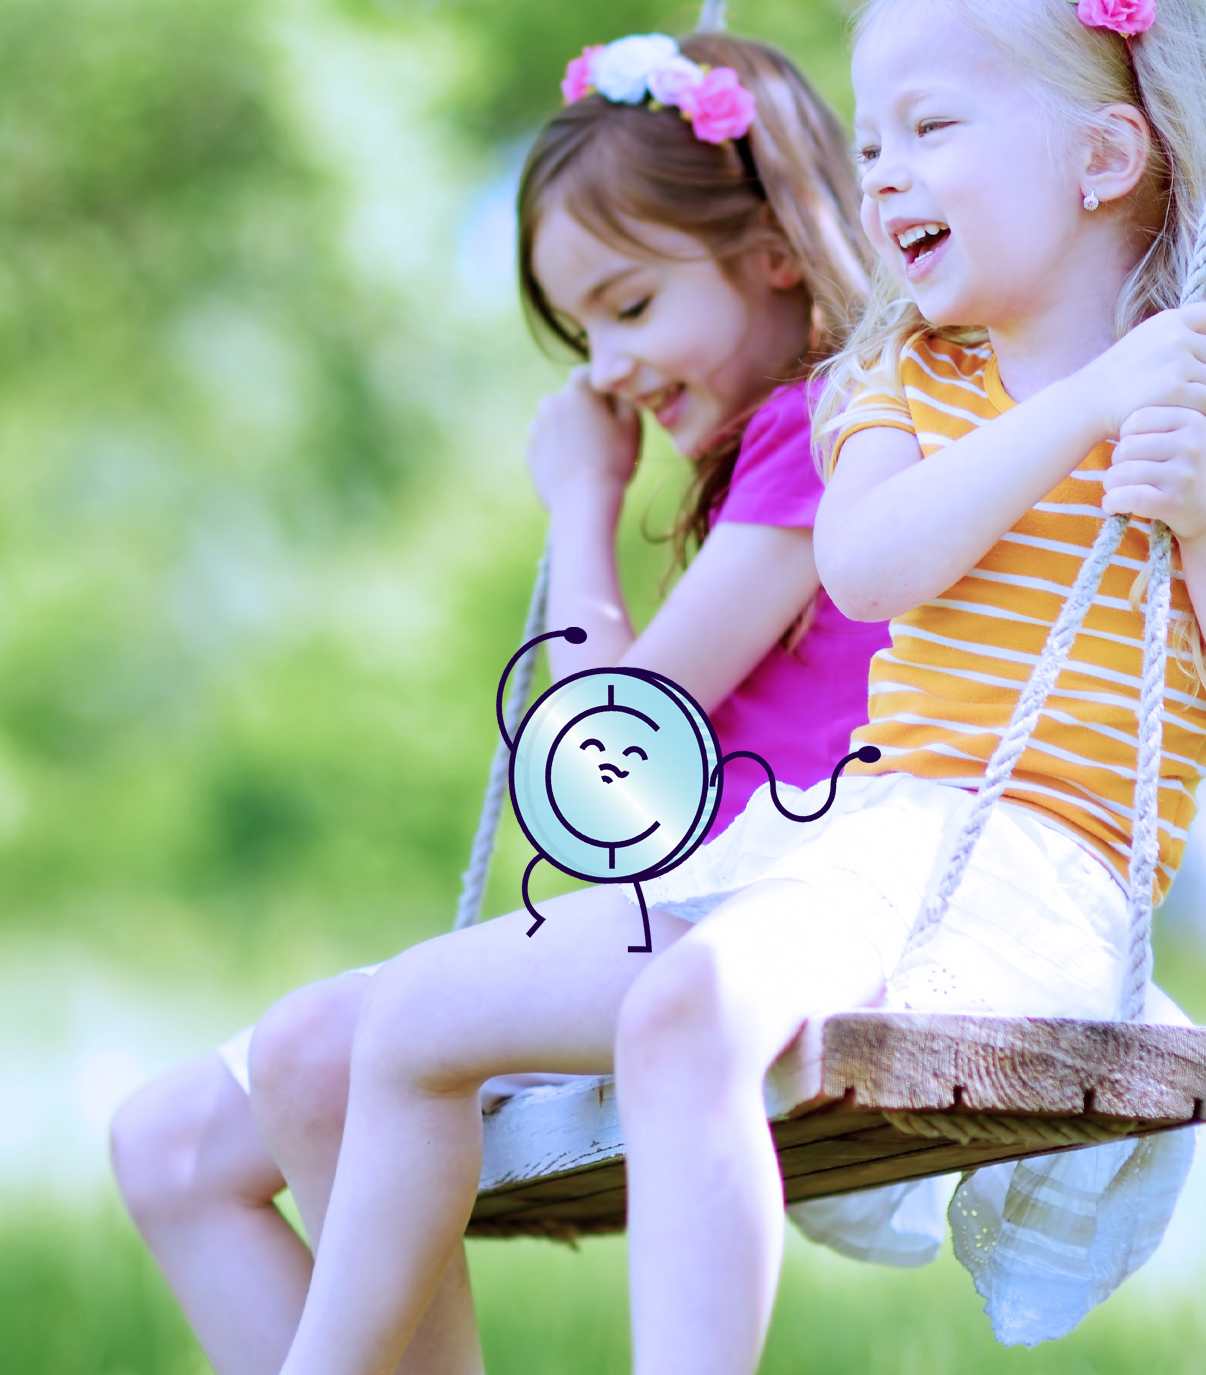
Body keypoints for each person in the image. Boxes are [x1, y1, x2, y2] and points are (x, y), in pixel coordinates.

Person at [269, 0, 1206, 1369]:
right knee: (403, 1021)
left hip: (1035, 876)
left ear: (1102, 160)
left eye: (928, 128)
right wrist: (1089, 411)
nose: (879, 174)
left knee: (684, 1014)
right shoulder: (895, 387)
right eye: (868, 143)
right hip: (848, 846)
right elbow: (866, 565)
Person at [102, 30, 892, 1375]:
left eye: (629, 306)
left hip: (773, 908)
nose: (601, 367)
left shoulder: (829, 431)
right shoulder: (775, 444)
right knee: (165, 1146)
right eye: (579, 326)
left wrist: (585, 507)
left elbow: (605, 761)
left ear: (774, 250)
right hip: (685, 908)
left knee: (316, 1055)